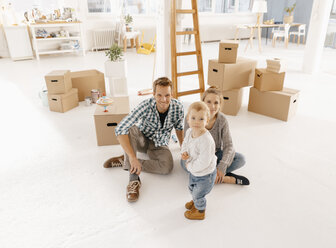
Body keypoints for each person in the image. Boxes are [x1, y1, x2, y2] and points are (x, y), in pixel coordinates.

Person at [103, 77, 184, 202]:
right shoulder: (145, 106)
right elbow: (120, 129)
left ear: (171, 94)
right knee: (130, 129)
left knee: (167, 167)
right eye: (159, 95)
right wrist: (132, 156)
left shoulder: (178, 107)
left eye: (167, 95)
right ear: (153, 94)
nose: (163, 99)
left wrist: (183, 147)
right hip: (142, 139)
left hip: (160, 143)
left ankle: (124, 161)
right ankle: (133, 180)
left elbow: (179, 128)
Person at [183, 87, 250, 185]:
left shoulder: (222, 120)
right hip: (196, 156)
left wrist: (222, 166)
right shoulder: (191, 117)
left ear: (220, 105)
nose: (212, 106)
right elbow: (187, 141)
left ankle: (210, 175)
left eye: (216, 103)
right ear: (203, 102)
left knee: (240, 159)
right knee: (184, 164)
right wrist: (186, 154)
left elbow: (229, 145)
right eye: (208, 102)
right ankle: (223, 178)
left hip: (214, 155)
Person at [181, 101, 217, 220]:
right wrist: (184, 152)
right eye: (193, 118)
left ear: (207, 121)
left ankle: (200, 210)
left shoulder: (206, 140)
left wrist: (189, 166)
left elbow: (204, 162)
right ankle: (196, 201)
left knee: (199, 192)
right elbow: (185, 143)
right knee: (192, 187)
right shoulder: (189, 132)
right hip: (193, 169)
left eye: (201, 119)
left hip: (205, 174)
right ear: (188, 119)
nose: (197, 122)